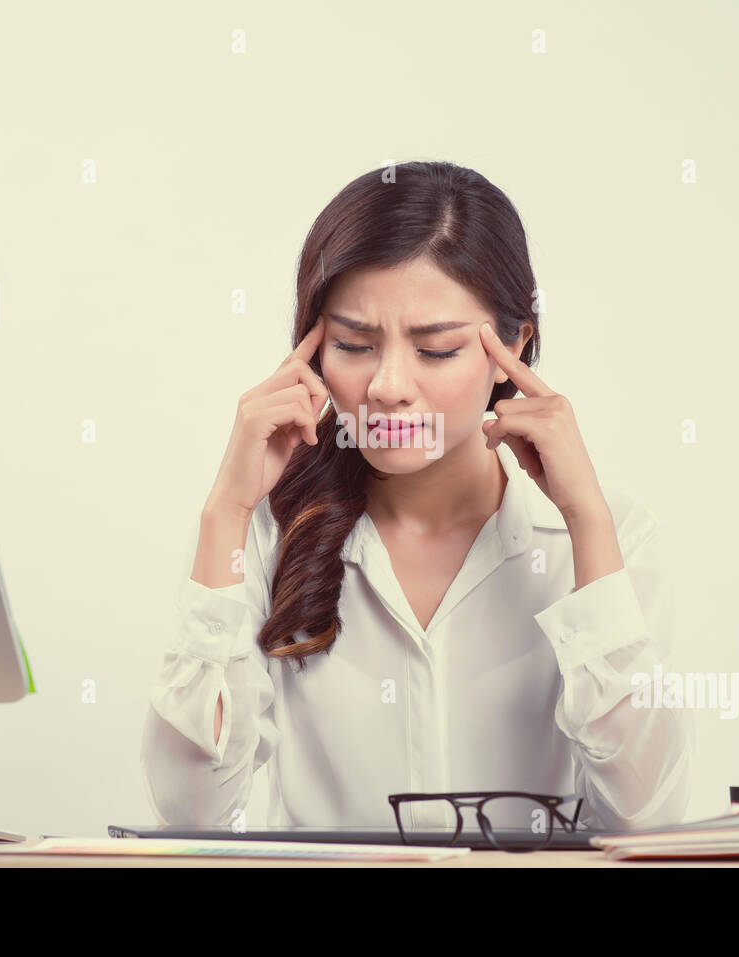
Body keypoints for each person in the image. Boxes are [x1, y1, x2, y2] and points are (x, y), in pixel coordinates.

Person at [140, 161, 692, 834]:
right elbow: (190, 814)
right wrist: (225, 510)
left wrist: (586, 521)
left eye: (436, 350)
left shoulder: (613, 536)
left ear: (513, 344)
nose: (388, 386)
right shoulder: (262, 533)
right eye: (353, 344)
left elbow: (645, 819)